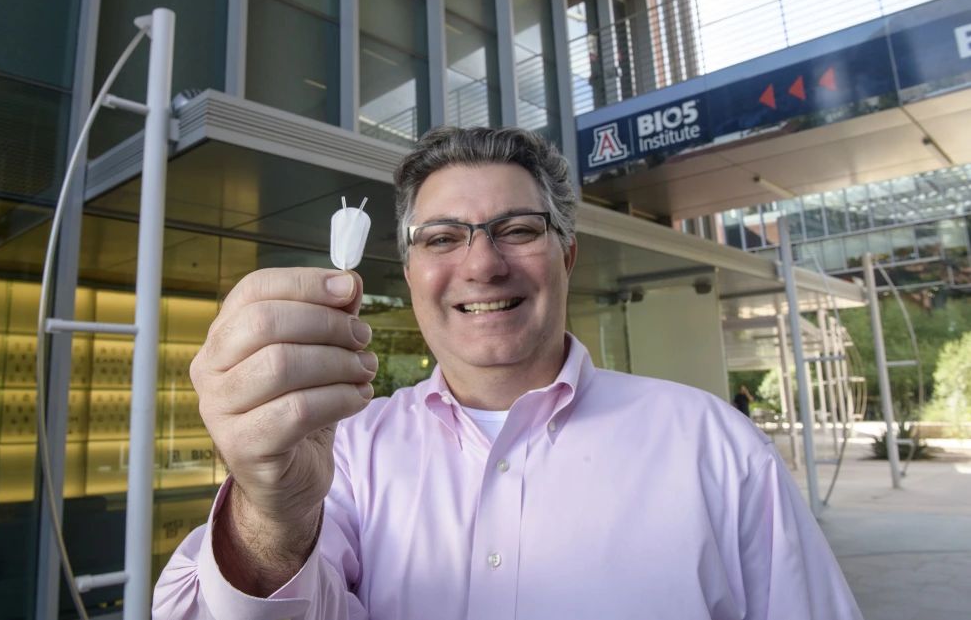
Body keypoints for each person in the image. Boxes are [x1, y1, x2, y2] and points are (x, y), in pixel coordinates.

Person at [153, 127, 862, 619]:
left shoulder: (717, 446)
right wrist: (272, 510)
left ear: (568, 256)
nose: (482, 263)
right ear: (409, 271)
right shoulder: (347, 452)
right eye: (442, 237)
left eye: (518, 229)